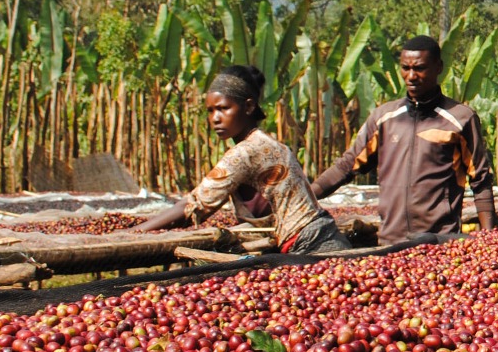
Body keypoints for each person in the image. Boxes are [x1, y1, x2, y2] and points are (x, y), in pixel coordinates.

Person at [138, 65, 353, 254]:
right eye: (210, 111)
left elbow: (194, 207)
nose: (215, 118)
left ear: (249, 107)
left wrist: (136, 232)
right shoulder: (271, 143)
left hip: (310, 245)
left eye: (223, 108)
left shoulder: (245, 153)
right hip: (325, 236)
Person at [311, 35, 497, 244]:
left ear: (438, 68)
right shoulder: (384, 118)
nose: (411, 76)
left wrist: (488, 241)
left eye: (419, 68)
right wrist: (306, 196)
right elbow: (346, 166)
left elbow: (481, 181)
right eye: (405, 68)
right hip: (390, 241)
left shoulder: (459, 119)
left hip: (441, 242)